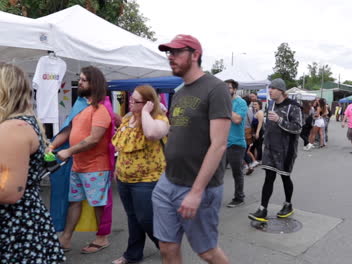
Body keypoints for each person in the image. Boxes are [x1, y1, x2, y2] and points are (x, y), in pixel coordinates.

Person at [153, 34, 231, 263]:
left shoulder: (215, 88)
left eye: (177, 52)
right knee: (167, 247)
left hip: (200, 188)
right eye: (169, 53)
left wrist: (196, 192)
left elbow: (219, 145)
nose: (171, 57)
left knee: (207, 252)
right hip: (168, 182)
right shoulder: (178, 93)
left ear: (195, 55)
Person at [0, 63, 66, 263]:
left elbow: (8, 192)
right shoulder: (21, 122)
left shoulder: (14, 127)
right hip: (23, 221)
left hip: (14, 225)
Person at [49, 66, 113, 253]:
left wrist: (68, 151)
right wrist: (52, 146)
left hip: (96, 167)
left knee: (98, 203)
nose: (80, 83)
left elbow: (94, 139)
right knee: (74, 202)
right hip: (79, 165)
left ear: (94, 83)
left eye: (84, 80)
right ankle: (66, 239)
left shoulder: (101, 109)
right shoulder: (81, 104)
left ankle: (102, 238)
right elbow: (69, 130)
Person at [111, 85, 169, 264]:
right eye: (130, 99)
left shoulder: (159, 119)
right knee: (133, 217)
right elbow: (123, 148)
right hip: (124, 178)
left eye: (135, 101)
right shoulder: (128, 118)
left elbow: (151, 133)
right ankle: (133, 254)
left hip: (147, 180)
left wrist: (145, 112)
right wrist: (117, 169)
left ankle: (167, 247)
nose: (130, 103)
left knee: (146, 218)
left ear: (149, 103)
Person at [248, 78, 302, 222]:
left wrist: (279, 120)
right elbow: (268, 125)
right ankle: (262, 209)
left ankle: (288, 204)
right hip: (270, 148)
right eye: (269, 88)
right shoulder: (270, 104)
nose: (270, 91)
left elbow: (298, 128)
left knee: (285, 176)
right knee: (269, 177)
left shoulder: (294, 106)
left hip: (286, 150)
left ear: (281, 91)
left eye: (273, 88)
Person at [224, 79, 248, 208]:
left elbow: (237, 119)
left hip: (236, 144)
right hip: (222, 143)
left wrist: (226, 105)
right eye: (225, 88)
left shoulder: (241, 102)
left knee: (236, 172)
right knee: (216, 172)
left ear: (234, 89)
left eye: (229, 88)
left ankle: (239, 197)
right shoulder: (222, 102)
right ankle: (212, 197)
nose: (226, 90)